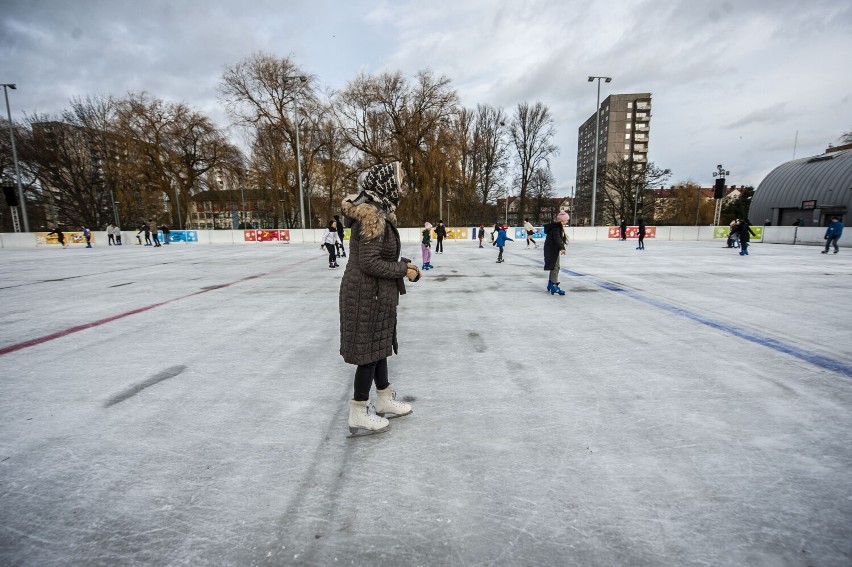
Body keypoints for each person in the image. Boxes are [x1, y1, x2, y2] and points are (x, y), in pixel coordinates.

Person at [339, 162, 419, 438]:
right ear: (385, 183)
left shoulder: (380, 212)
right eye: (398, 181)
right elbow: (370, 262)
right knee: (368, 354)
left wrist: (404, 266)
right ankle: (358, 412)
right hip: (365, 294)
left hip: (375, 293)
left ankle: (384, 398)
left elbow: (380, 259)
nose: (401, 188)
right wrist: (403, 270)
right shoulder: (371, 216)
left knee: (380, 346)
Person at [543, 210, 569, 295]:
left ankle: (551, 284)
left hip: (552, 249)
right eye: (566, 220)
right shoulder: (556, 228)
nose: (567, 221)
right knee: (555, 267)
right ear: (562, 220)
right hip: (551, 250)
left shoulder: (557, 227)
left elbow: (559, 238)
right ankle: (553, 285)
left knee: (555, 266)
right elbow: (557, 238)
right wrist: (562, 248)